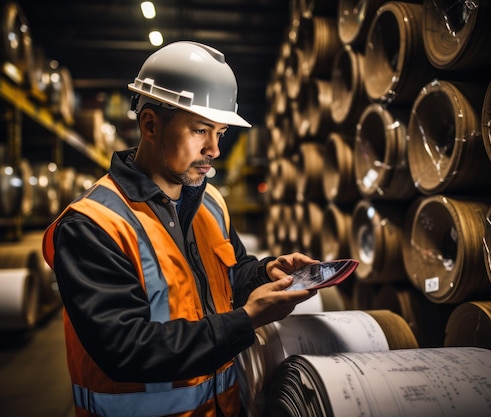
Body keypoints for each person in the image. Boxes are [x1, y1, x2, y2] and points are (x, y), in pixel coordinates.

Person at [42, 40, 319, 417]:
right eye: (201, 130)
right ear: (150, 124)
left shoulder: (211, 204)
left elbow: (227, 276)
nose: (214, 150)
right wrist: (248, 318)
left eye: (220, 133)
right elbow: (127, 349)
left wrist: (263, 272)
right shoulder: (92, 225)